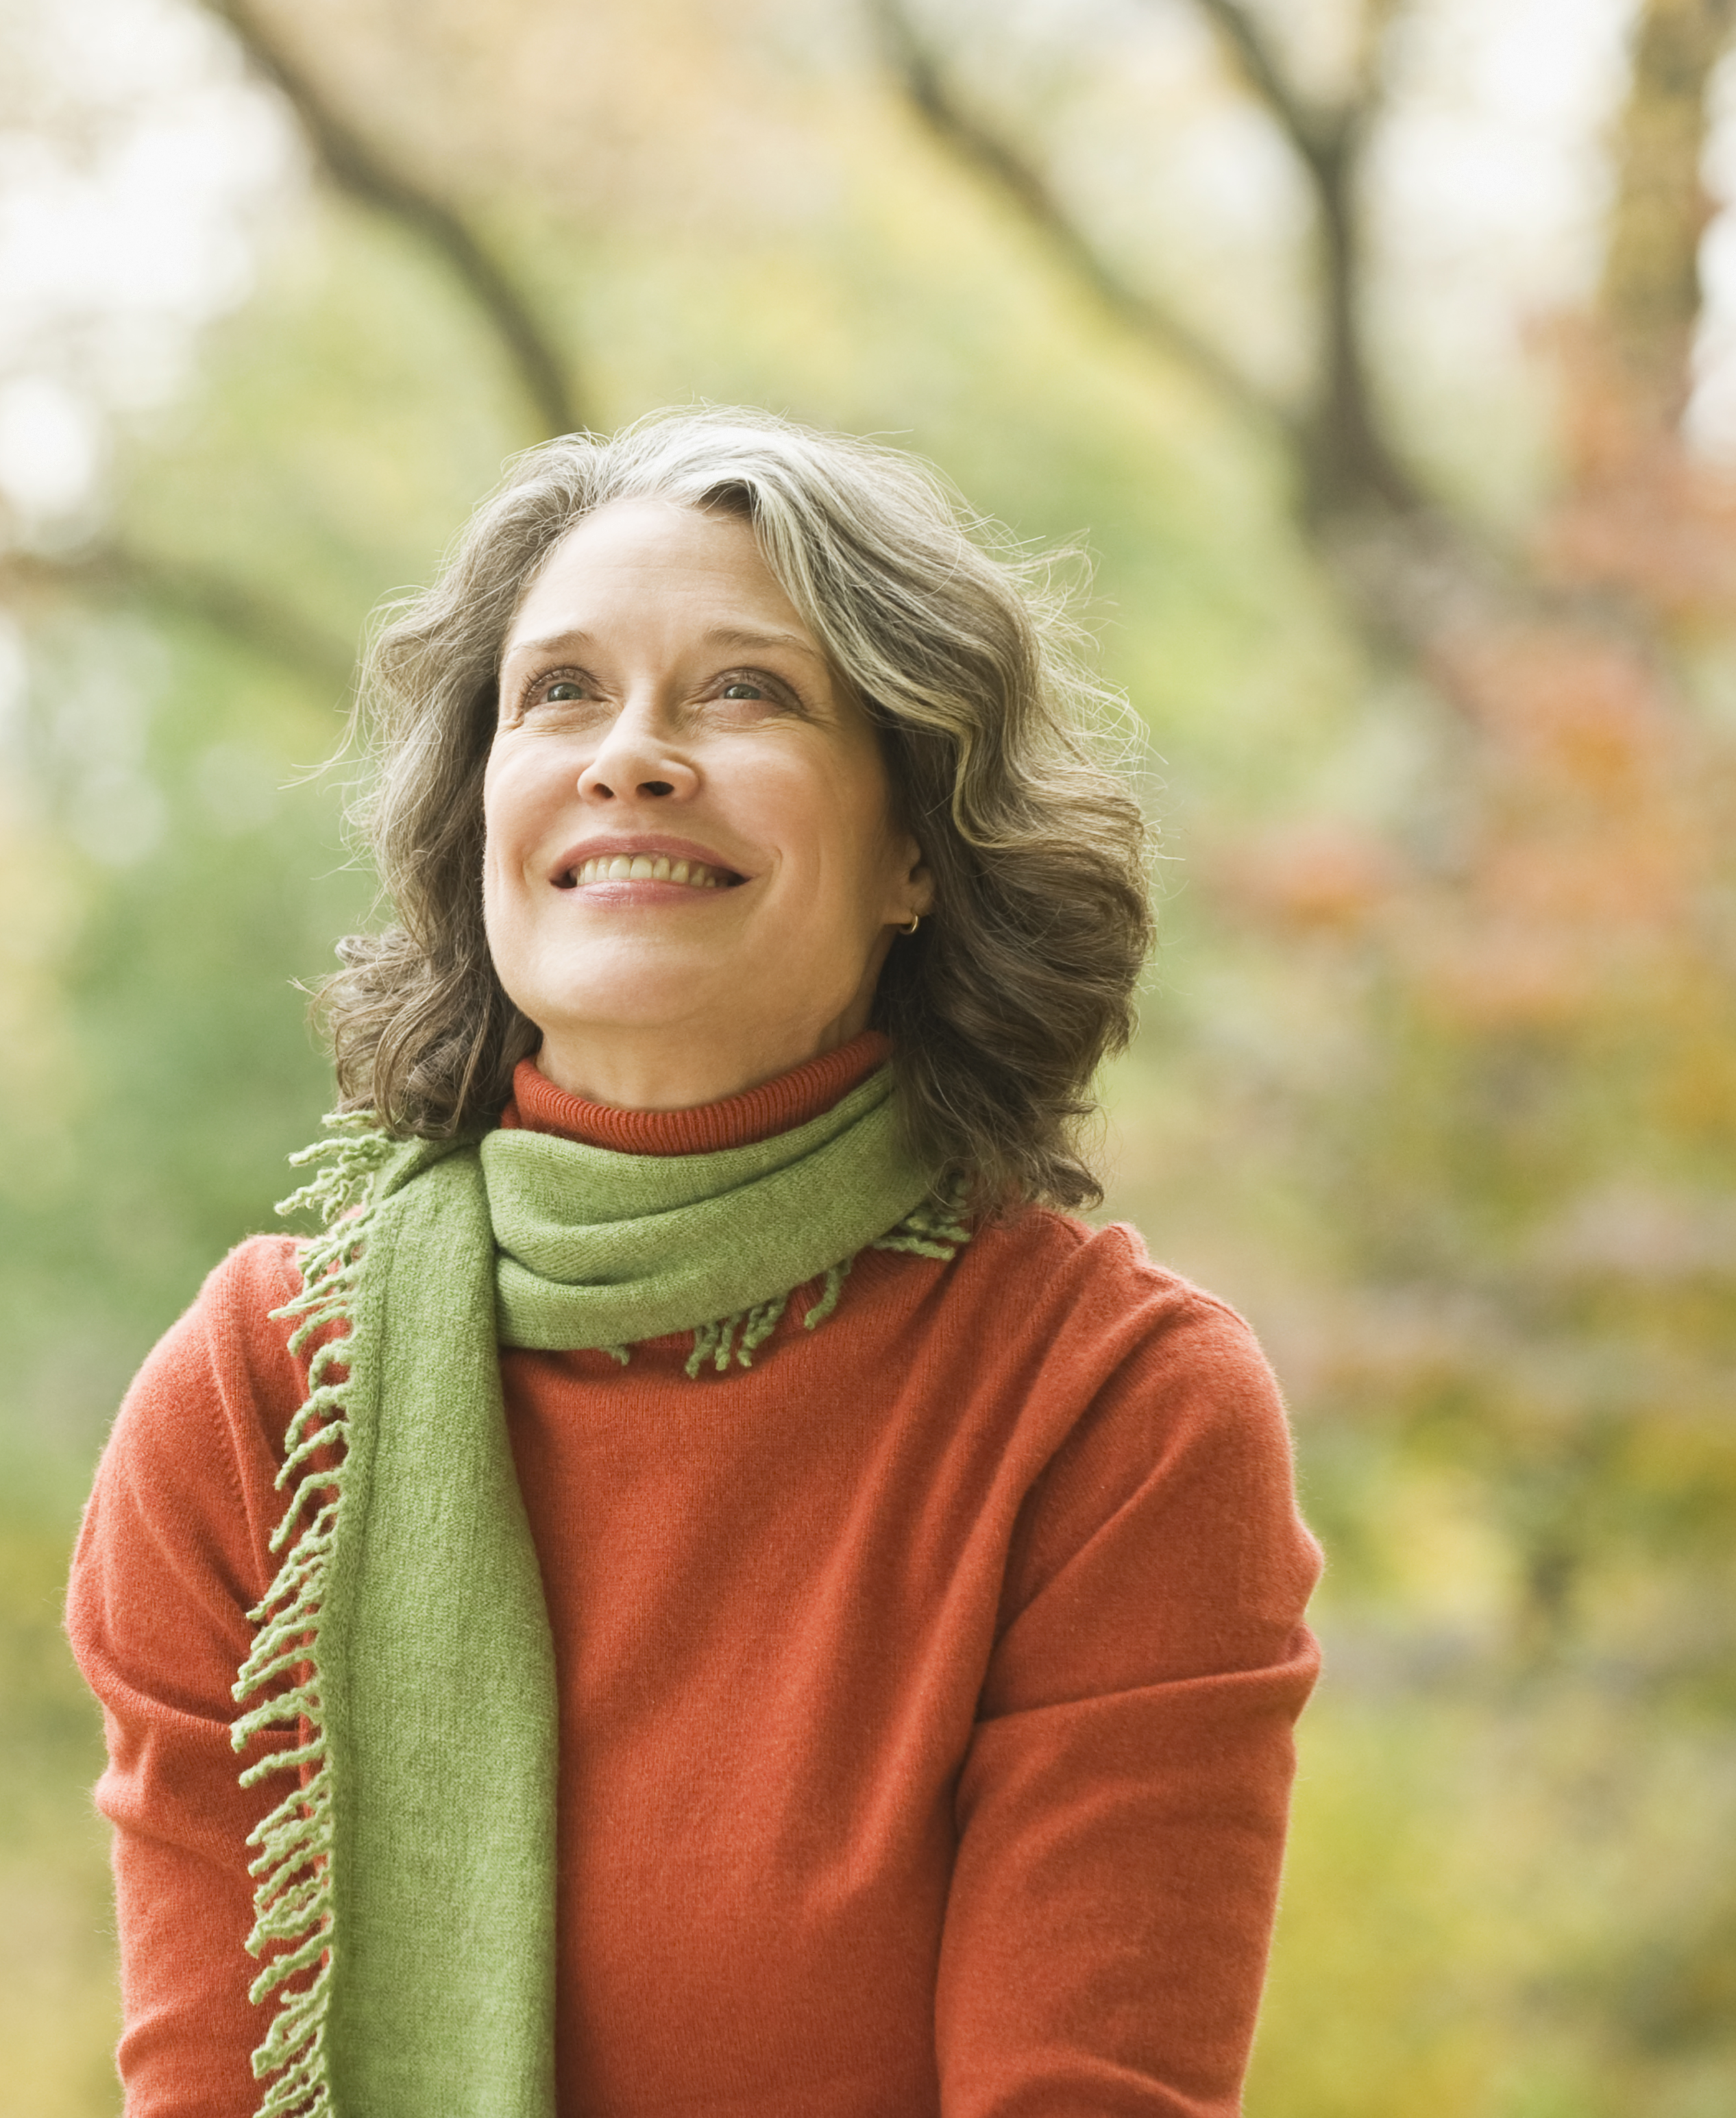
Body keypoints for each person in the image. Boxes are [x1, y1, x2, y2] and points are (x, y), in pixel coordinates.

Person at [69, 407, 1323, 2117]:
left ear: (913, 852)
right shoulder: (264, 1398)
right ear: (480, 824)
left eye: (748, 693)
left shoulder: (1110, 1410)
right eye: (562, 693)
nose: (632, 756)